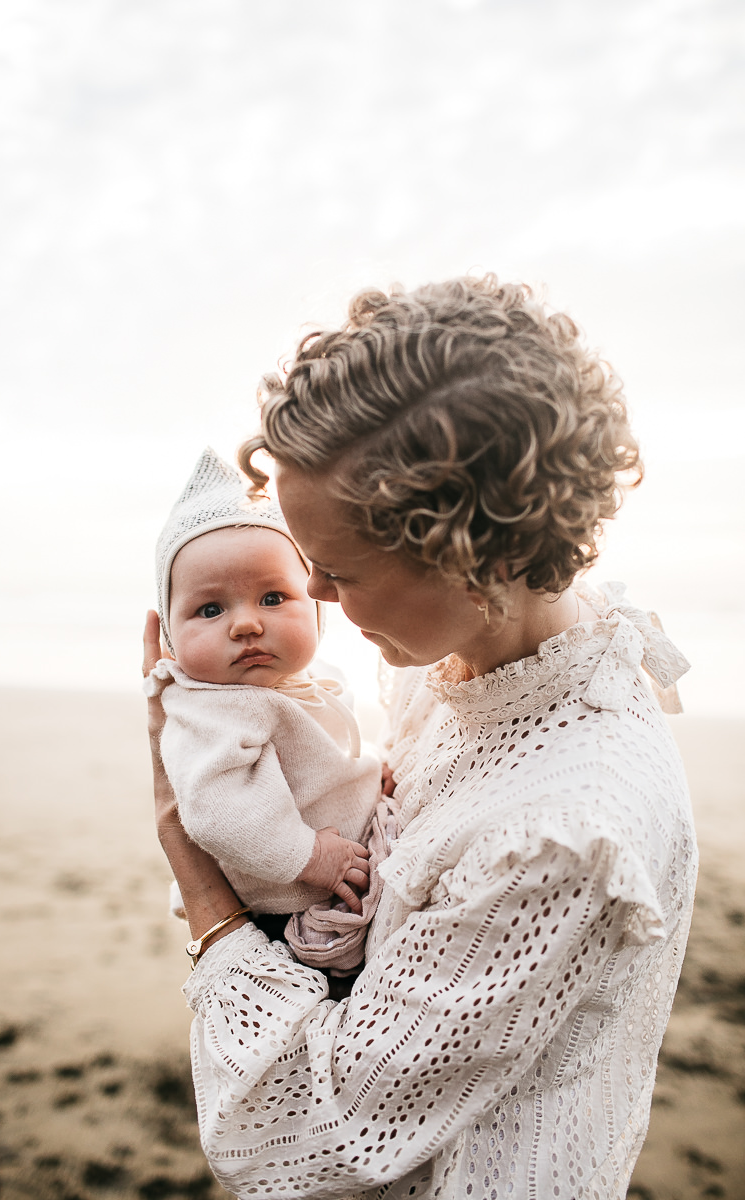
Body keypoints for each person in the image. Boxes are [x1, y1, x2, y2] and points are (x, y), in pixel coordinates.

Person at [144, 275, 697, 1200]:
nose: (313, 593)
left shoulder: (562, 828)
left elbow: (307, 1134)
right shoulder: (437, 664)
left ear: (471, 556)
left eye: (339, 570)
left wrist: (199, 877)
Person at [145, 447, 378, 945]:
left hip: (329, 869)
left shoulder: (308, 678)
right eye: (210, 609)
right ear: (169, 635)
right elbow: (218, 811)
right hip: (279, 903)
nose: (247, 624)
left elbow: (318, 753)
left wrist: (368, 770)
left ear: (316, 603)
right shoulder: (212, 710)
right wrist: (309, 857)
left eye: (273, 598)